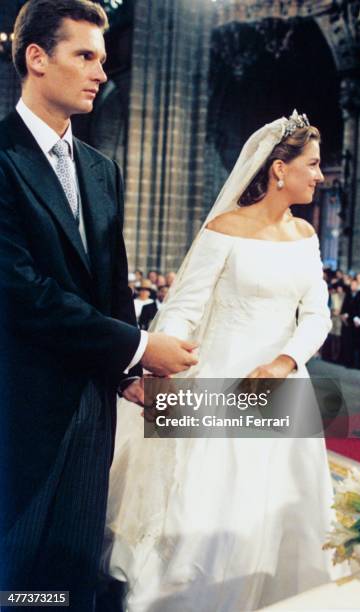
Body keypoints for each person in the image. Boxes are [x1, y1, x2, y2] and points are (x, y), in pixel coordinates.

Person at [103, 111, 347, 611]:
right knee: (207, 512)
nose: (321, 176)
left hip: (280, 387)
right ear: (280, 169)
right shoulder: (224, 229)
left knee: (282, 513)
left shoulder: (306, 236)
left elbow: (317, 317)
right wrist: (159, 369)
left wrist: (284, 361)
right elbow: (184, 311)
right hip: (217, 382)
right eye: (314, 164)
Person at [0, 1, 197, 608]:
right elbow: (22, 292)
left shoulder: (102, 169)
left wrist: (129, 373)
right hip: (21, 410)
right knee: (16, 581)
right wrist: (139, 344)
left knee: (71, 579)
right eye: (84, 56)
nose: (100, 73)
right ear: (37, 58)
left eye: (103, 59)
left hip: (92, 407)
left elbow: (111, 285)